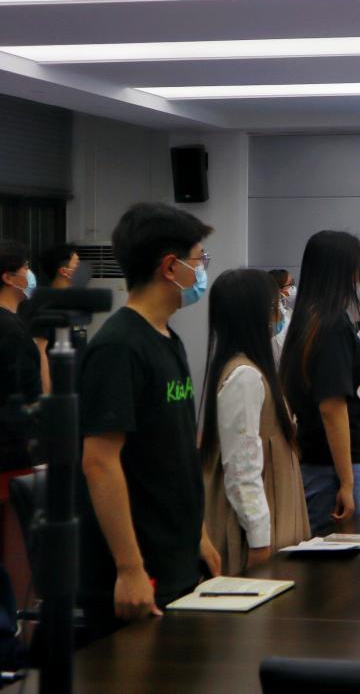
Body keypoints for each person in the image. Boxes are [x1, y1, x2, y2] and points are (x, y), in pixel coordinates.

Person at [76, 203, 220, 642]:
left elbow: (174, 450)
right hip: (139, 571)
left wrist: (199, 535)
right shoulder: (119, 347)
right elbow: (99, 462)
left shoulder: (168, 339)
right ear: (170, 267)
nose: (202, 270)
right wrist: (129, 568)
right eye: (198, 259)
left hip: (177, 556)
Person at [201, 269, 309, 575]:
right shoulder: (244, 376)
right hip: (259, 531)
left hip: (276, 513)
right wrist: (260, 541)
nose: (279, 314)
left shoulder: (253, 369)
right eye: (274, 306)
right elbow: (242, 468)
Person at [279, 231, 360, 536]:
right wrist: (346, 482)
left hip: (322, 460)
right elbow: (332, 407)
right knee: (337, 555)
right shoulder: (331, 325)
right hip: (332, 467)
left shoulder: (310, 319)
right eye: (358, 265)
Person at [0, 241, 44, 471]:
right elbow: (27, 394)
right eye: (25, 267)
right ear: (8, 278)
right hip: (11, 450)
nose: (29, 274)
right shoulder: (12, 330)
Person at [267, 269, 294, 362]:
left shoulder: (285, 309)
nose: (293, 288)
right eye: (290, 284)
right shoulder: (270, 314)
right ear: (278, 289)